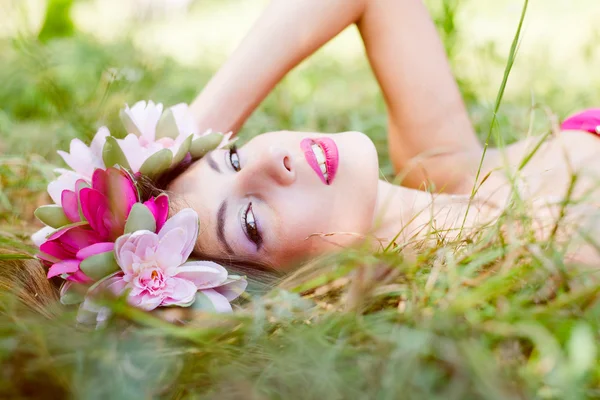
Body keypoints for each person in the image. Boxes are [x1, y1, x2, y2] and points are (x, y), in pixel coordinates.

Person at [158, 0, 600, 270]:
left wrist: (177, 135)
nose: (271, 156)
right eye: (250, 221)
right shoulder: (556, 253)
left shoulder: (445, 168)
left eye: (233, 157)